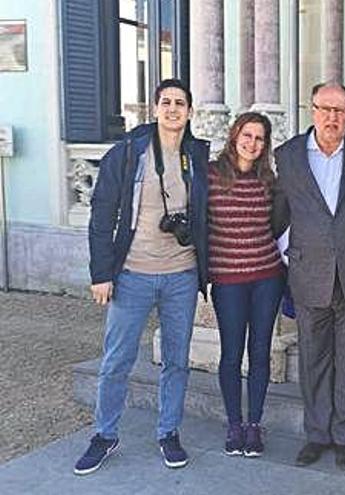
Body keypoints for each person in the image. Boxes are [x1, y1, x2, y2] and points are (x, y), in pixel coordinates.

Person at [75, 79, 210, 475]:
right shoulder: (128, 152)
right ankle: (104, 434)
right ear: (155, 109)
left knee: (176, 361)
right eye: (165, 102)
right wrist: (102, 273)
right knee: (117, 359)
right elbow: (101, 214)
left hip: (181, 275)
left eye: (180, 103)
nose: (172, 109)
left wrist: (208, 270)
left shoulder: (197, 155)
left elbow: (206, 217)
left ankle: (168, 432)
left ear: (190, 111)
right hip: (132, 274)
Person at [273, 81, 345, 471]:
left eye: (341, 110)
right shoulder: (288, 156)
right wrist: (289, 255)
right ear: (311, 110)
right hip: (307, 274)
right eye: (325, 109)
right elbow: (279, 211)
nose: (333, 117)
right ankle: (317, 434)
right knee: (314, 359)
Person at [207, 112, 286, 458]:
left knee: (260, 352)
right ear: (235, 135)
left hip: (267, 277)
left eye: (260, 138)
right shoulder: (210, 176)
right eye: (247, 135)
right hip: (228, 281)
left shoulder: (269, 179)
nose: (252, 143)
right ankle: (233, 423)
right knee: (231, 353)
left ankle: (254, 424)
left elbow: (279, 224)